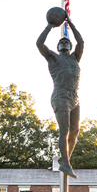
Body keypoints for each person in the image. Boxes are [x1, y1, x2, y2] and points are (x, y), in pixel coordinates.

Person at [36, 16, 84, 178]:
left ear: (70, 47)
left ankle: (65, 161)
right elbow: (39, 44)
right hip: (61, 96)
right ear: (57, 47)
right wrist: (50, 26)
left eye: (67, 42)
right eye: (61, 42)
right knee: (65, 130)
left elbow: (81, 42)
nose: (64, 43)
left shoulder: (74, 58)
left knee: (75, 131)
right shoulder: (53, 57)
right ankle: (66, 163)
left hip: (74, 98)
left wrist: (70, 24)